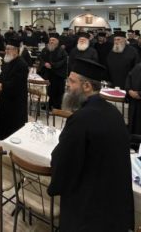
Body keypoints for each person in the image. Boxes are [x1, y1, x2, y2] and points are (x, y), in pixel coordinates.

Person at [48, 58, 134, 232]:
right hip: (113, 208)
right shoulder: (114, 112)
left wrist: (54, 186)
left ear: (86, 86)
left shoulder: (80, 119)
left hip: (87, 210)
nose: (67, 85)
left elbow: (63, 161)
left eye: (72, 81)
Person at [0, 39, 28, 141]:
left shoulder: (22, 65)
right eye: (6, 48)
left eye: (8, 49)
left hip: (15, 102)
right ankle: (1, 142)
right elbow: (2, 76)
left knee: (13, 127)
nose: (6, 51)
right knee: (2, 122)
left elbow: (17, 83)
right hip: (4, 98)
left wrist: (2, 86)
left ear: (16, 50)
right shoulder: (7, 61)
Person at [38, 33, 68, 110]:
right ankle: (48, 105)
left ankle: (56, 106)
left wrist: (52, 65)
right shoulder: (45, 49)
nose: (51, 41)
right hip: (48, 74)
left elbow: (63, 61)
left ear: (57, 41)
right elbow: (40, 58)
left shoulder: (62, 51)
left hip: (58, 74)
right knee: (48, 91)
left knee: (57, 91)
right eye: (50, 40)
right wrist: (44, 63)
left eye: (53, 40)